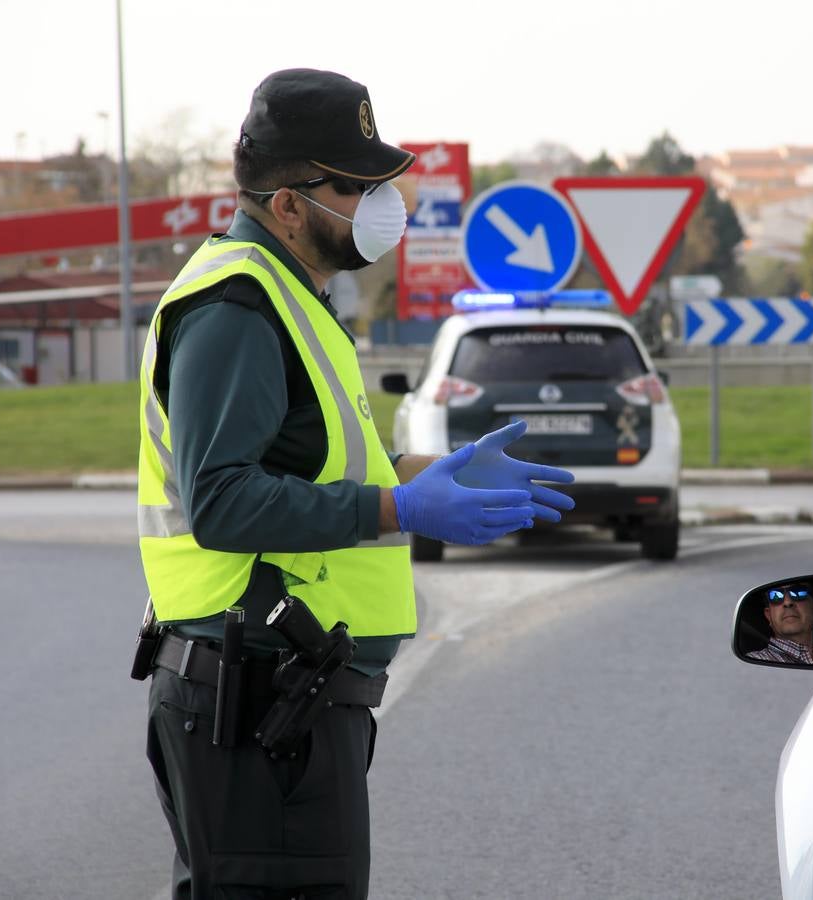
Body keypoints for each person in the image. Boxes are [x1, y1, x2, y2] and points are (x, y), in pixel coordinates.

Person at [133, 68, 576, 899]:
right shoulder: (236, 307)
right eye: (355, 183)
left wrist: (430, 473)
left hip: (281, 698)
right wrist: (398, 509)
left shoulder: (293, 297)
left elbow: (320, 460)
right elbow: (222, 500)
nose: (381, 199)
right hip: (252, 693)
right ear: (290, 203)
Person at [746, 582, 813, 664]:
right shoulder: (755, 660)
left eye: (798, 592)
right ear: (769, 616)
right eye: (775, 595)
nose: (787, 602)